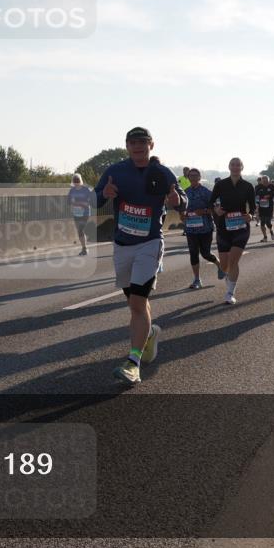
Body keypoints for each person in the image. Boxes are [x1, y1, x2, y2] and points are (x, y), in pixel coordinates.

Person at [95, 127, 185, 385]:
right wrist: (104, 194)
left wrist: (176, 198)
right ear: (126, 146)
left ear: (151, 145)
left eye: (142, 142)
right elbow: (92, 200)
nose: (137, 147)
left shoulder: (162, 172)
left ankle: (133, 362)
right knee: (135, 303)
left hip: (150, 242)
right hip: (123, 244)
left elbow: (181, 200)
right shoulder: (115, 171)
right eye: (133, 142)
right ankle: (150, 334)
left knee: (137, 302)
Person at [210, 158, 257, 305]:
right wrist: (216, 210)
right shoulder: (221, 184)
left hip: (241, 226)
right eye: (233, 165)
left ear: (242, 167)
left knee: (233, 260)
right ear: (229, 167)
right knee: (224, 265)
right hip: (224, 226)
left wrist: (251, 215)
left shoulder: (248, 186)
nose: (235, 167)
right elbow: (211, 202)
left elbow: (253, 206)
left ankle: (230, 293)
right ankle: (228, 277)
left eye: (238, 165)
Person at [181, 168, 225, 289]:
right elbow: (181, 209)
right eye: (191, 175)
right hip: (190, 228)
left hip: (205, 228)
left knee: (205, 253)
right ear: (188, 178)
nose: (193, 177)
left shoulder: (206, 192)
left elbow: (216, 208)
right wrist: (182, 215)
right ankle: (197, 280)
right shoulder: (185, 192)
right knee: (193, 253)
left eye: (196, 175)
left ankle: (219, 265)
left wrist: (204, 211)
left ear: (200, 177)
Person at [68, 173, 93, 256]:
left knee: (80, 230)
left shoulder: (86, 189)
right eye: (75, 180)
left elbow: (91, 200)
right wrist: (76, 204)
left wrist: (82, 203)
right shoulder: (72, 190)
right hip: (76, 213)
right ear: (73, 181)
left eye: (77, 180)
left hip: (85, 213)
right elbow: (69, 202)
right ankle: (84, 248)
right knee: (79, 232)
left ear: (80, 180)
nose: (76, 182)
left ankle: (84, 249)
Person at [254, 176, 274, 242]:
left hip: (269, 207)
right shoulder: (258, 187)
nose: (264, 181)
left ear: (268, 180)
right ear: (261, 181)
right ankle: (265, 237)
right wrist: (256, 205)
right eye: (263, 180)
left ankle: (271, 231)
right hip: (261, 207)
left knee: (268, 222)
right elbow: (255, 195)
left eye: (266, 180)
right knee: (262, 223)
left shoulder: (271, 186)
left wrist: (270, 196)